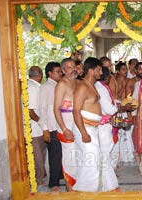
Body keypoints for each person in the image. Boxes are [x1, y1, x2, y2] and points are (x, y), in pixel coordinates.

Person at [72, 57, 104, 192]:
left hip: (92, 128)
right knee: (92, 164)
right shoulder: (83, 86)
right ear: (91, 70)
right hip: (85, 129)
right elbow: (76, 111)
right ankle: (87, 193)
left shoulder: (92, 85)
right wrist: (84, 133)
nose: (101, 72)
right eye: (99, 69)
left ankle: (88, 191)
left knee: (92, 163)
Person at [53, 58, 79, 191]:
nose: (72, 69)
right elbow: (56, 108)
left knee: (79, 159)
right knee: (70, 161)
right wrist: (64, 129)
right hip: (67, 127)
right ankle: (70, 192)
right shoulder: (62, 84)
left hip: (78, 126)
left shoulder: (77, 82)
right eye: (68, 67)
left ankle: (78, 189)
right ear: (63, 70)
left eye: (73, 66)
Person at [39, 62, 63, 191]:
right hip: (51, 126)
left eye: (60, 71)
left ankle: (59, 176)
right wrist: (45, 129)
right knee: (54, 155)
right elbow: (42, 109)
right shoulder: (46, 87)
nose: (60, 73)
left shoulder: (58, 86)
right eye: (57, 71)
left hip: (59, 125)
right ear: (50, 73)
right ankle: (53, 183)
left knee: (60, 153)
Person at [27, 66, 46, 186]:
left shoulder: (35, 86)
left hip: (38, 127)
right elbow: (31, 111)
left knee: (41, 153)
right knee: (37, 156)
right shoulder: (32, 88)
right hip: (35, 128)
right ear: (40, 74)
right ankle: (38, 180)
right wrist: (42, 123)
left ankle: (41, 176)